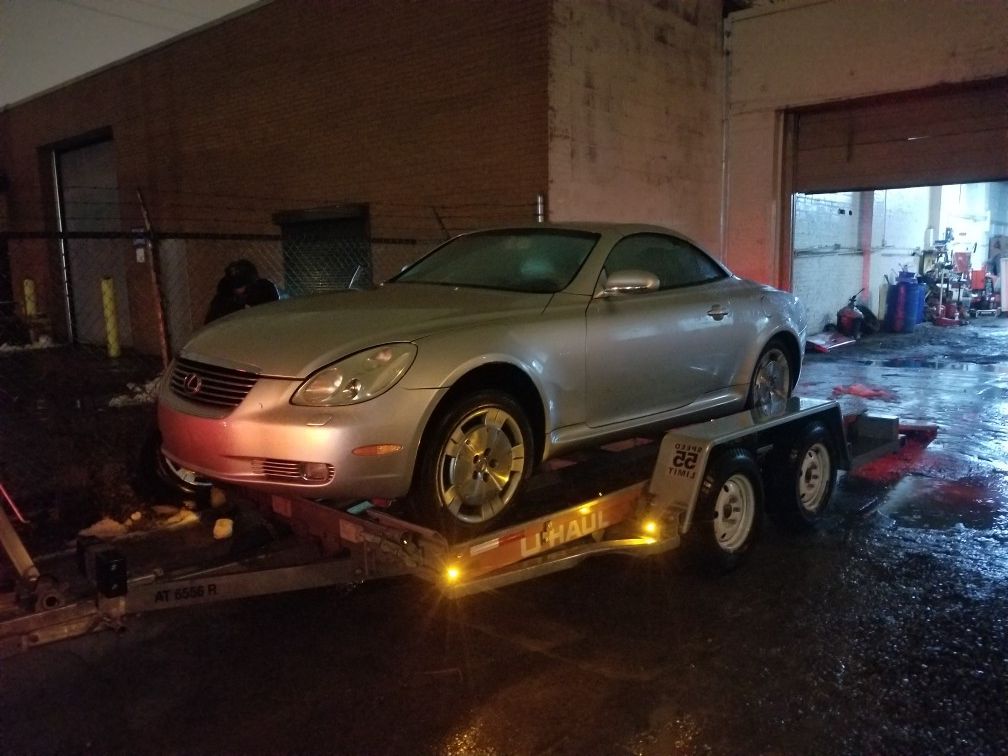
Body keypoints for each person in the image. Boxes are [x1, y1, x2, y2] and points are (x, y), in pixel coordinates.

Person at [204, 259, 279, 324]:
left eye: (241, 285)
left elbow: (275, 314)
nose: (236, 289)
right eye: (234, 285)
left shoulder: (265, 290)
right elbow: (211, 323)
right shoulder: (223, 298)